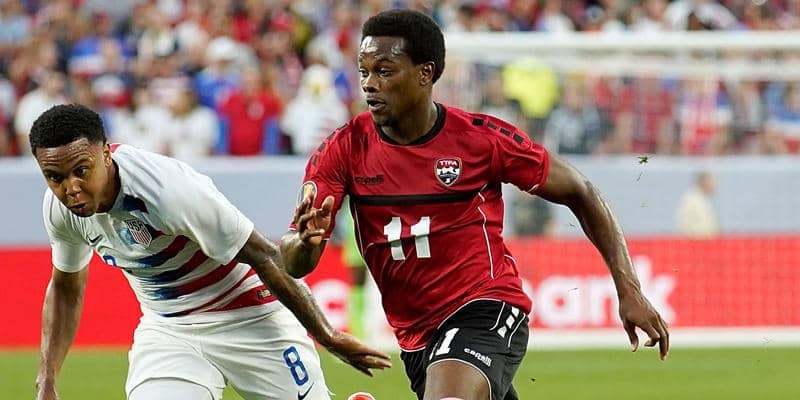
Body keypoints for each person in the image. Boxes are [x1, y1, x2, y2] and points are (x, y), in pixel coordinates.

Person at [280, 9, 669, 400]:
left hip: (486, 306)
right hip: (416, 338)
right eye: (364, 71)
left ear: (425, 73)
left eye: (384, 71)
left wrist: (629, 289)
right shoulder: (343, 149)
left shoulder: (479, 139)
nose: (369, 84)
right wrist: (305, 243)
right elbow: (294, 263)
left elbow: (581, 191)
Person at [30, 104, 390, 400]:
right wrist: (46, 380)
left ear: (106, 154)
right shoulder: (59, 209)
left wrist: (327, 335)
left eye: (82, 171)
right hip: (170, 329)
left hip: (250, 316)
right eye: (55, 177)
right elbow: (65, 288)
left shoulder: (167, 191)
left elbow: (264, 255)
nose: (71, 189)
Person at [676, 171, 720, 237]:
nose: (715, 185)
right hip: (697, 241)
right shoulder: (692, 200)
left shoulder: (703, 199)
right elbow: (687, 227)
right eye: (711, 182)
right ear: (704, 182)